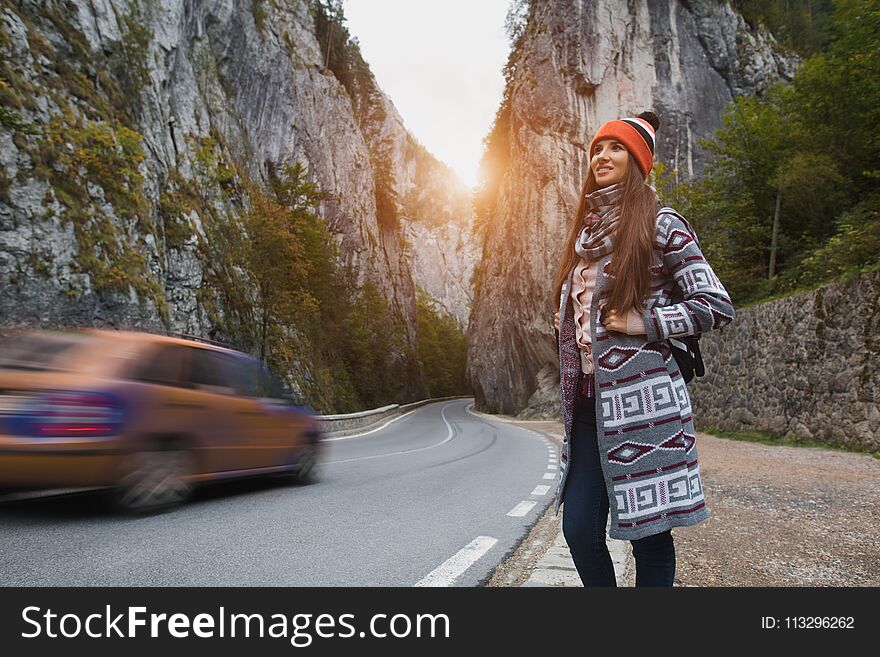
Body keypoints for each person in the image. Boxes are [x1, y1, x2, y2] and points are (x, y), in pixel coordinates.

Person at [550, 111, 735, 586]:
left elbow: (715, 304)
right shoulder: (584, 238)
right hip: (590, 408)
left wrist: (645, 321)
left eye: (616, 148)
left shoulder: (661, 224)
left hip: (646, 407)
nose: (602, 157)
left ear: (638, 161)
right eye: (596, 149)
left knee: (649, 535)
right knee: (578, 531)